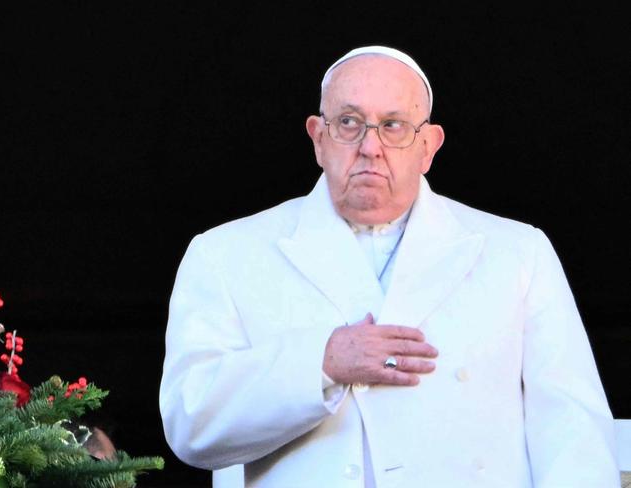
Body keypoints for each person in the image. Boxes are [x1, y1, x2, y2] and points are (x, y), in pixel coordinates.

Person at [159, 46, 618, 487]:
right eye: (349, 123)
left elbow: (572, 434)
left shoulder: (519, 251)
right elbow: (190, 421)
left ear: (428, 146)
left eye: (394, 125)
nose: (370, 147)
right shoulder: (225, 254)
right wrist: (321, 362)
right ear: (318, 138)